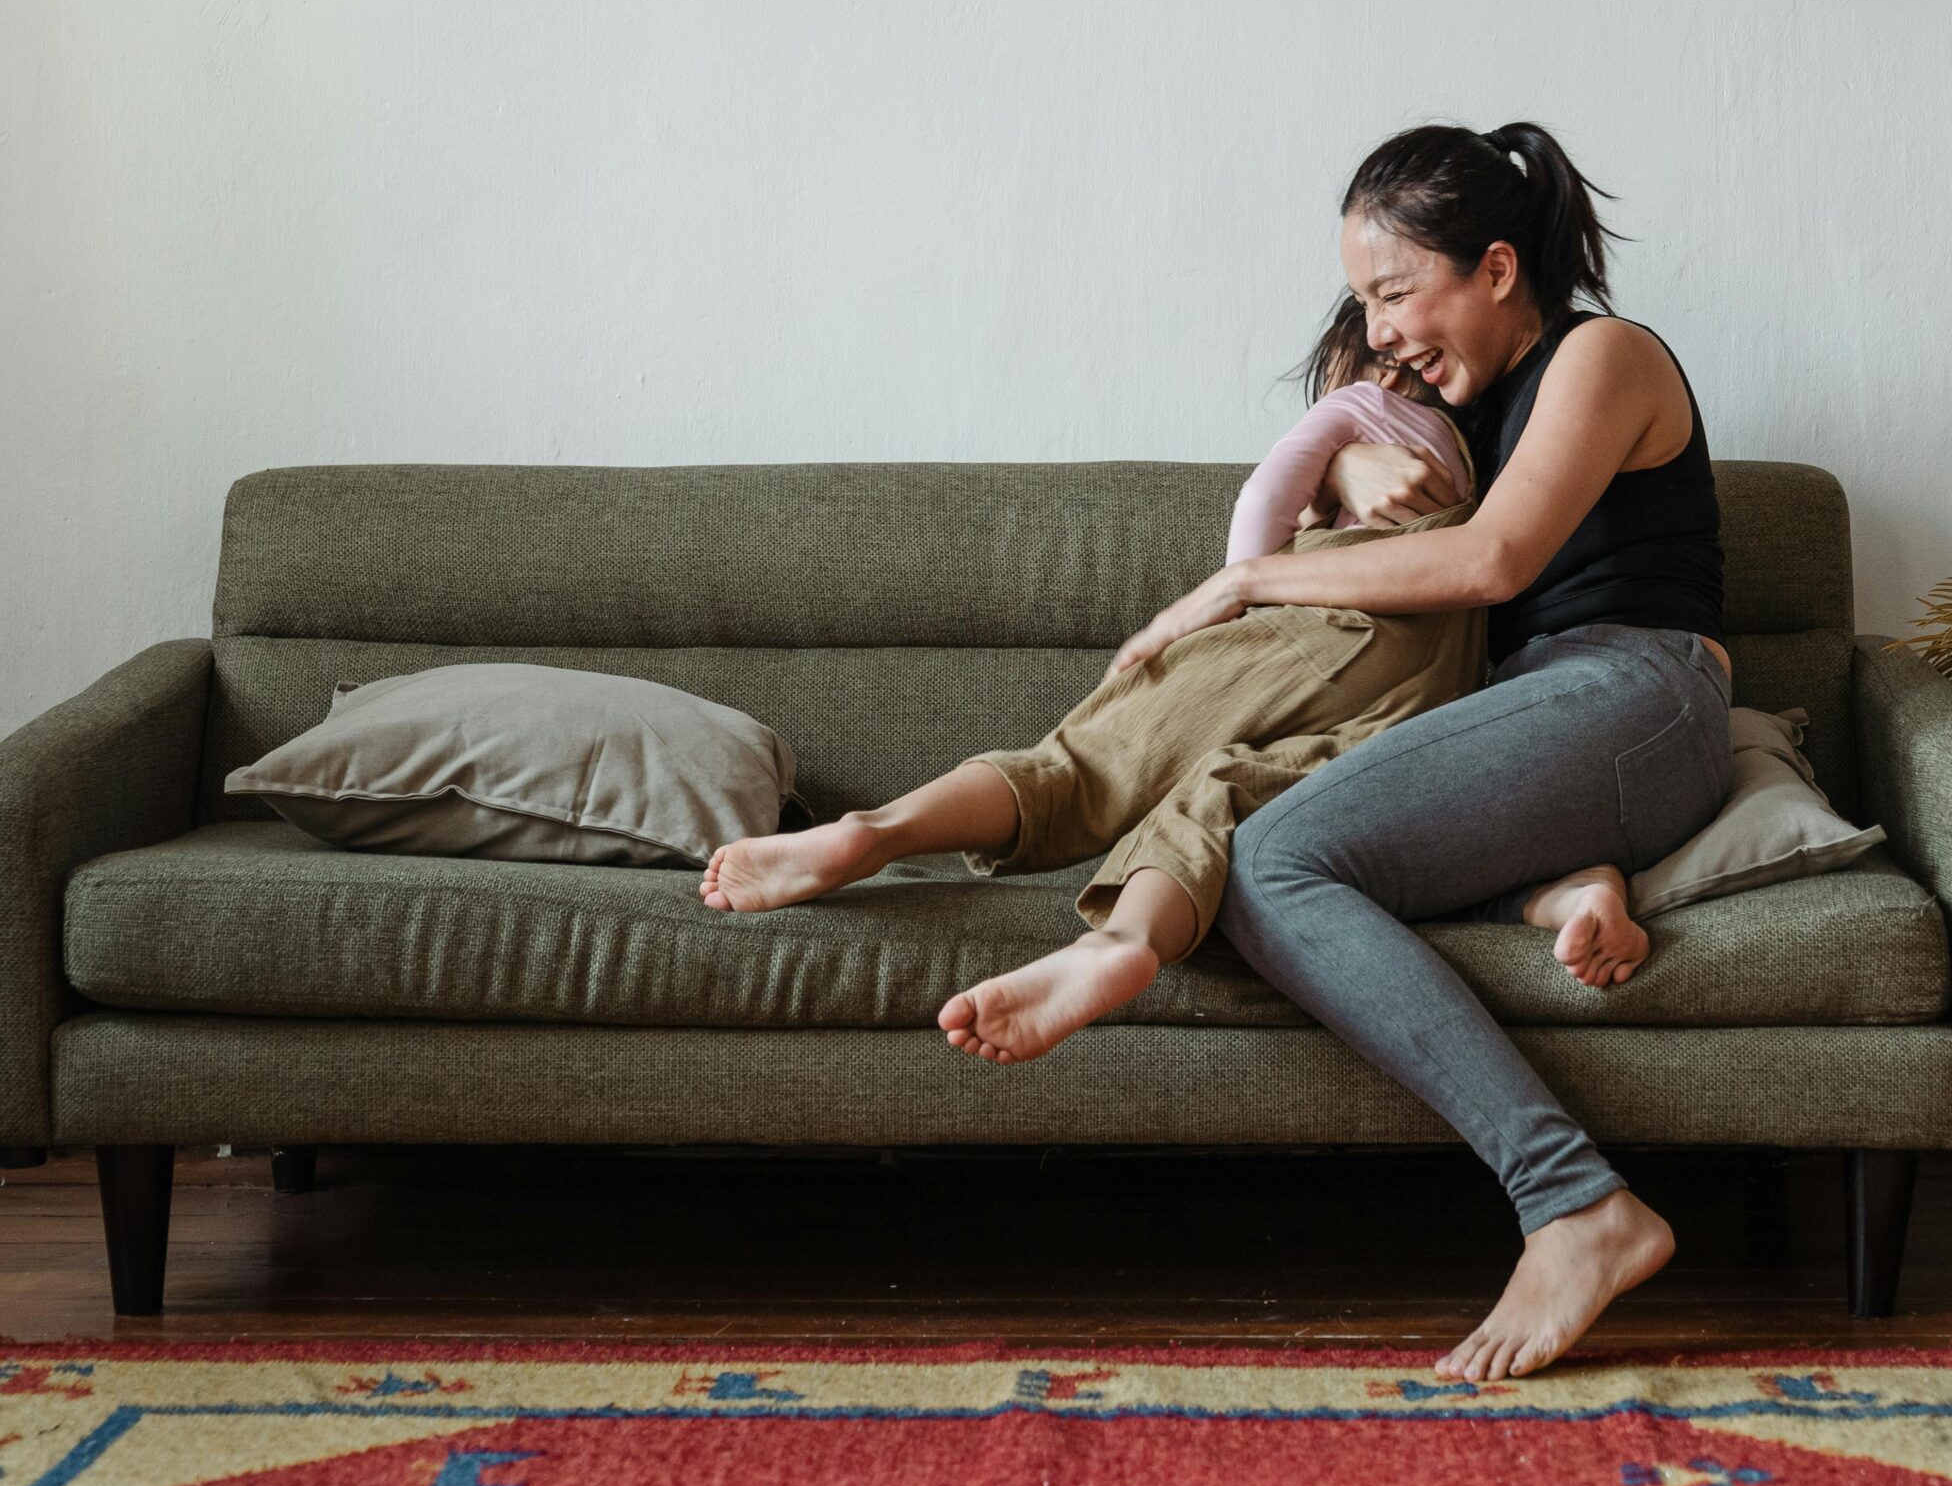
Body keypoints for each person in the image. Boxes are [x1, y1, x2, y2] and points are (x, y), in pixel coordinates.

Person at [1107, 121, 1734, 1384]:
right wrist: (1344, 456)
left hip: (1636, 689)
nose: (1381, 327)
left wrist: (1241, 586)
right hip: (1524, 716)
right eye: (1364, 301)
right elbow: (1368, 471)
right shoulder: (1460, 403)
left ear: (1497, 269)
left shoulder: (1602, 356)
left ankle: (1577, 1205)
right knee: (1278, 835)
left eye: (1396, 291)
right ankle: (1559, 881)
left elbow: (1493, 560)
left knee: (1274, 860)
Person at [693, 292, 1660, 1065]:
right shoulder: (1493, 443)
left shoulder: (1357, 406)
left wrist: (1248, 581)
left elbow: (1264, 498)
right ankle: (1124, 943)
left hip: (1331, 624)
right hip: (1437, 681)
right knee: (1230, 796)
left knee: (1082, 766)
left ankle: (877, 832)